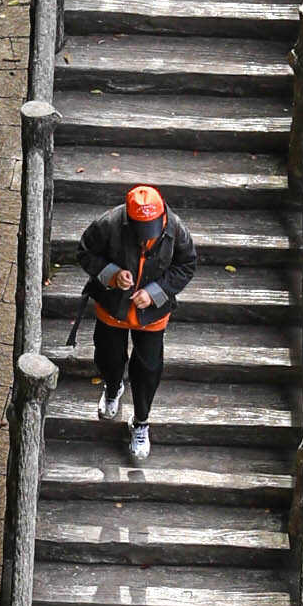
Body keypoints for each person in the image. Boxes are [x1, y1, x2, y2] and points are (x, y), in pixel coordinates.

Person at [81, 178, 199, 472]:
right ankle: (112, 388)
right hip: (112, 307)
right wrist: (111, 274)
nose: (145, 237)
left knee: (148, 369)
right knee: (108, 356)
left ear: (162, 218)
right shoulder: (108, 224)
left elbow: (186, 266)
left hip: (152, 316)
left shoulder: (176, 231)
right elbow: (84, 252)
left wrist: (155, 292)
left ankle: (141, 421)